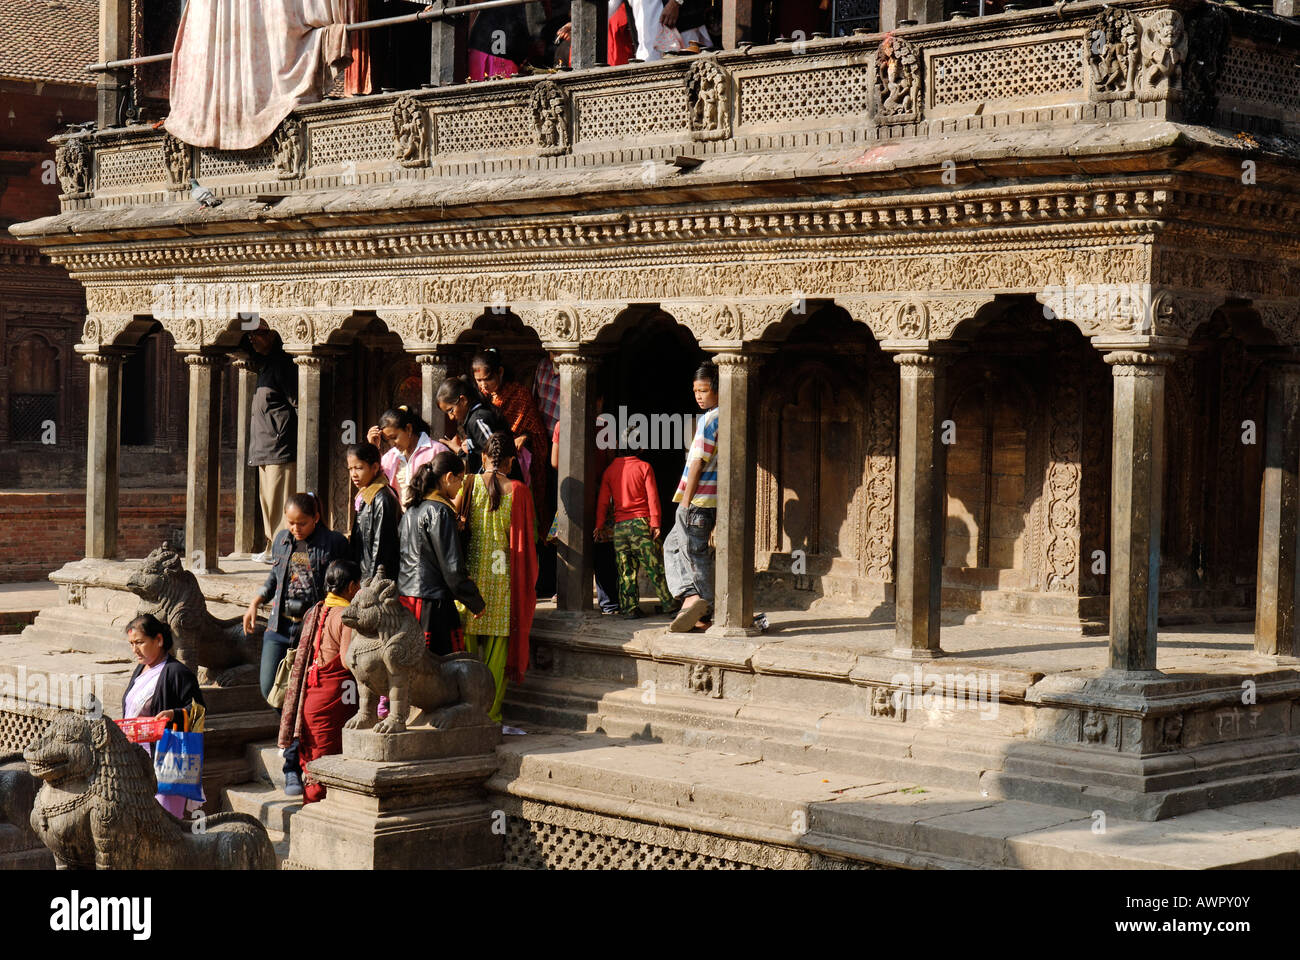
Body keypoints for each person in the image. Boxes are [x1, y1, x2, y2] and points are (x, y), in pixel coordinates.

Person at [243, 491, 349, 796]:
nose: (295, 528)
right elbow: (275, 576)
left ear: (316, 518)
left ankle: (292, 763)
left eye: (301, 523)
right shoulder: (281, 539)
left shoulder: (334, 543)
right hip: (279, 624)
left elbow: (343, 582)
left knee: (302, 695)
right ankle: (295, 740)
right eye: (290, 523)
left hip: (311, 628)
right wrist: (256, 601)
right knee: (270, 689)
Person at [459, 433, 537, 733]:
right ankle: (489, 716)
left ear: (482, 458)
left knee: (467, 653)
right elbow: (527, 541)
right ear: (510, 461)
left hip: (469, 583)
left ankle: (464, 710)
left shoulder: (468, 484)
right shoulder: (518, 491)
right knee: (496, 655)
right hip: (503, 582)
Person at [278, 560, 361, 804]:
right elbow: (347, 662)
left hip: (313, 695)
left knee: (315, 762)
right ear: (353, 587)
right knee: (328, 764)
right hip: (333, 698)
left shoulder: (317, 609)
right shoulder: (346, 616)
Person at [398, 452, 487, 655]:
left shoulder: (412, 510)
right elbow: (452, 568)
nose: (461, 486)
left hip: (408, 598)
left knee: (412, 665)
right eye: (460, 479)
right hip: (432, 603)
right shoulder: (440, 511)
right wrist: (474, 601)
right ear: (448, 477)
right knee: (440, 670)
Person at [121, 613, 206, 818]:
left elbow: (198, 710)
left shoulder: (177, 672)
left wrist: (174, 714)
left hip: (168, 762)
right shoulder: (141, 669)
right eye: (131, 643)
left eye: (140, 642)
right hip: (137, 760)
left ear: (158, 640)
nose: (135, 649)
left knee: (165, 824)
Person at [664, 364, 719, 632]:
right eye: (695, 391)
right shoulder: (719, 416)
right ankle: (691, 597)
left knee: (694, 554)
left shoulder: (709, 420)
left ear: (718, 389)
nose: (698, 395)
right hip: (704, 501)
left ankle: (705, 609)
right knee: (672, 546)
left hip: (698, 502)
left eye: (704, 390)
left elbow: (697, 462)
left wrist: (685, 502)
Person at [596, 436, 677, 619]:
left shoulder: (609, 471)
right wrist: (655, 523)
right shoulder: (644, 467)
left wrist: (599, 525)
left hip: (619, 528)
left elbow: (603, 503)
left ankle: (630, 608)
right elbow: (652, 497)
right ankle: (670, 605)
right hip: (641, 525)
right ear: (639, 448)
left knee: (625, 570)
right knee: (654, 566)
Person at [550, 402, 620, 613]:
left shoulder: (561, 425)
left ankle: (566, 595)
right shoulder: (605, 425)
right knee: (603, 548)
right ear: (599, 400)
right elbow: (611, 460)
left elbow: (555, 461)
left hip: (572, 493)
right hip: (599, 493)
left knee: (569, 544)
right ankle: (609, 603)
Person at [471, 348, 550, 523]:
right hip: (488, 462)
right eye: (479, 380)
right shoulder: (479, 398)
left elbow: (536, 430)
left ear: (500, 372)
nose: (484, 385)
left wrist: (525, 437)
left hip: (518, 463)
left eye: (488, 379)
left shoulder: (519, 394)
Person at [244, 324, 297, 563]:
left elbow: (298, 402)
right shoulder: (264, 364)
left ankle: (283, 550)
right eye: (250, 334)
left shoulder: (281, 364)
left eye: (259, 334)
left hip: (280, 446)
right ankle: (272, 546)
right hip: (263, 446)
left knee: (280, 500)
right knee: (267, 502)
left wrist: (283, 433)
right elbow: (240, 344)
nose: (253, 338)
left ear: (273, 334)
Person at [365, 406, 449, 508]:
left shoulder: (437, 451)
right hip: (399, 520)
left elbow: (451, 487)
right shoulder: (390, 458)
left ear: (408, 429)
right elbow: (375, 483)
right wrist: (373, 449)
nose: (392, 444)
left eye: (394, 437)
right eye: (387, 440)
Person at [436, 376, 516, 477]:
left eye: (451, 410)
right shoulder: (474, 419)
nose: (451, 417)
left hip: (502, 485)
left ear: (463, 400)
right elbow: (479, 454)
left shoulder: (478, 420)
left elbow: (497, 454)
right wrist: (460, 450)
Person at [346, 442, 400, 583]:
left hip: (375, 579)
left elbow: (381, 547)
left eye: (358, 468)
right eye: (350, 469)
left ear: (375, 467)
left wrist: (371, 582)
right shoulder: (365, 494)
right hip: (363, 575)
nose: (354, 474)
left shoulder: (382, 498)